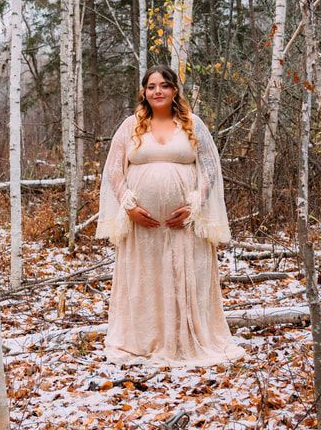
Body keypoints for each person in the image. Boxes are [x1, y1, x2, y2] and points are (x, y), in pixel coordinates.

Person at [95, 65, 244, 367]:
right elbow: (113, 170)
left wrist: (194, 205)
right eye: (151, 86)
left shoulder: (192, 123)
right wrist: (129, 206)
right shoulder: (130, 125)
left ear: (175, 90)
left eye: (164, 85)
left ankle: (183, 338)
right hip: (143, 225)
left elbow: (210, 168)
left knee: (182, 279)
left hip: (184, 225)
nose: (158, 91)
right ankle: (144, 340)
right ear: (144, 92)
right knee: (146, 281)